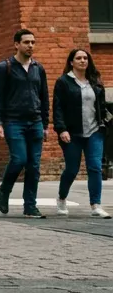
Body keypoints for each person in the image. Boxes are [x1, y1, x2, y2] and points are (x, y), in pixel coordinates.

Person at [0, 29, 50, 218]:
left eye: (33, 42)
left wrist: (45, 124)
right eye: (26, 42)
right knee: (19, 159)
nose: (30, 46)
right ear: (17, 44)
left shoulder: (38, 68)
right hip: (13, 121)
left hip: (35, 122)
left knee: (34, 166)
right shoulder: (5, 67)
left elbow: (44, 97)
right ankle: (5, 190)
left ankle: (30, 206)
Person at [52, 48, 111, 218]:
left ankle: (96, 205)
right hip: (72, 133)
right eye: (79, 58)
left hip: (94, 131)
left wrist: (104, 124)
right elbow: (58, 108)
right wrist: (61, 129)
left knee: (95, 167)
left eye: (85, 58)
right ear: (72, 62)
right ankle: (62, 198)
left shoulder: (95, 82)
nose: (83, 61)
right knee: (72, 169)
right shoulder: (64, 82)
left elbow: (101, 107)